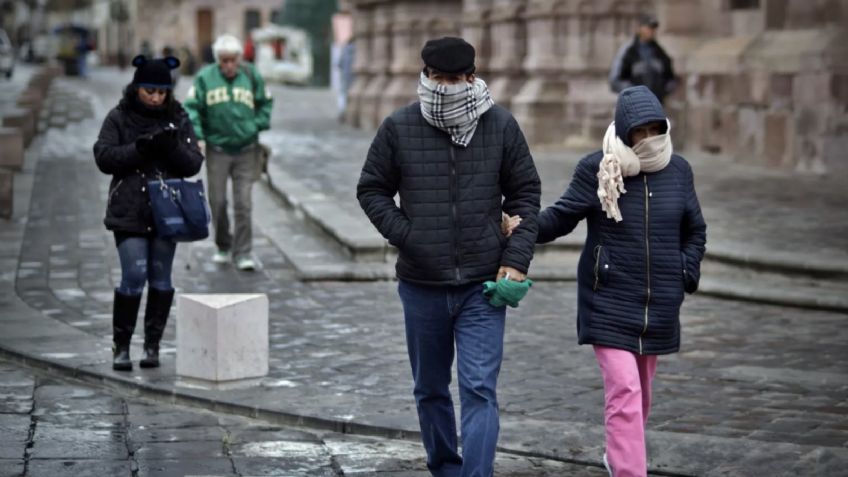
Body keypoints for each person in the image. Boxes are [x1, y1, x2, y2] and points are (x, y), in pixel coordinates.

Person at [357, 37, 541, 477]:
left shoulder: (501, 125)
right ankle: (445, 467)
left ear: (471, 78)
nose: (446, 88)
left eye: (455, 80)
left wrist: (516, 257)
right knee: (430, 388)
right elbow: (372, 189)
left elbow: (525, 195)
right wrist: (409, 235)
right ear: (424, 76)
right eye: (437, 79)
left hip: (483, 285)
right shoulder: (399, 127)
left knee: (479, 389)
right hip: (422, 284)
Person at [536, 85, 706, 477]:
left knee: (640, 395)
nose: (647, 140)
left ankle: (619, 453)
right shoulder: (598, 167)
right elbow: (561, 217)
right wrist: (519, 228)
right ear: (626, 130)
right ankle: (630, 471)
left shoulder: (678, 171)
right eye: (639, 131)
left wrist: (685, 271)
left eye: (653, 130)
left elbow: (695, 230)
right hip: (608, 300)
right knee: (625, 391)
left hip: (659, 303)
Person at [93, 55, 204, 371]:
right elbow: (103, 156)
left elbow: (194, 162)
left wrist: (170, 148)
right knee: (134, 274)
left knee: (161, 277)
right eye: (149, 91)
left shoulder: (178, 117)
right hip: (129, 208)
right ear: (137, 88)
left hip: (167, 210)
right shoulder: (120, 117)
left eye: (161, 92)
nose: (156, 98)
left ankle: (152, 345)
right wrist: (139, 148)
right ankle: (122, 346)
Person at [183, 34, 273, 271]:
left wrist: (256, 125)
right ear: (217, 60)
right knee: (218, 201)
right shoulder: (205, 78)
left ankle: (243, 252)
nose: (229, 65)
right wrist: (199, 136)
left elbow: (265, 103)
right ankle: (223, 244)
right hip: (217, 150)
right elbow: (192, 108)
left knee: (243, 203)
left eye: (233, 60)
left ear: (239, 59)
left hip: (246, 149)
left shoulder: (251, 75)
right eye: (224, 61)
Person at [609, 14, 677, 104]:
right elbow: (615, 81)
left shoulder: (660, 53)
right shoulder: (628, 51)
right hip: (634, 107)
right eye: (648, 27)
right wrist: (634, 93)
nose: (651, 31)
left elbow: (670, 79)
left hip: (655, 106)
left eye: (653, 28)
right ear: (639, 28)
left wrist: (662, 92)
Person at [336, 39, 355, 121]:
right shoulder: (358, 51)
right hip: (355, 78)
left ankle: (343, 113)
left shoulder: (345, 50)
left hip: (345, 77)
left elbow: (339, 64)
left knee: (343, 95)